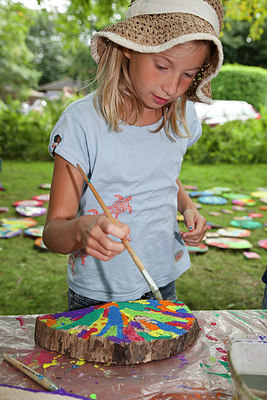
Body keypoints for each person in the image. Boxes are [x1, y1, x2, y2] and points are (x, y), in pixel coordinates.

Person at [43, 0, 224, 311]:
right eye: (162, 66)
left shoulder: (182, 116)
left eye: (187, 74)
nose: (171, 87)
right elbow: (53, 230)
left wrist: (187, 205)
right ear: (130, 46)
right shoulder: (82, 124)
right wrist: (80, 230)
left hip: (163, 278)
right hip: (99, 293)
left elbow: (161, 171)